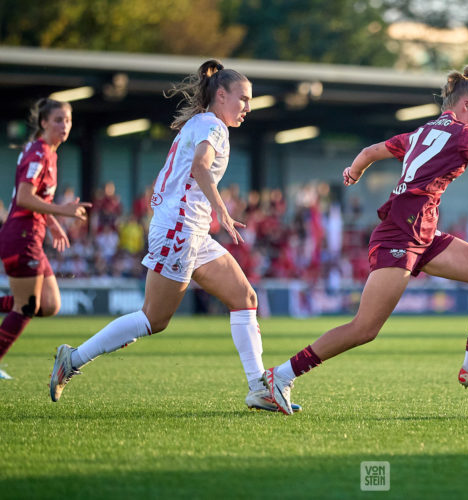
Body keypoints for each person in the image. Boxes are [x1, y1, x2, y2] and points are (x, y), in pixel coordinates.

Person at [262, 65, 468, 414]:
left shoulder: (421, 132)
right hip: (402, 233)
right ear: (466, 104)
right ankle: (280, 376)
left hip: (422, 232)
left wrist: (353, 172)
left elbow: (371, 151)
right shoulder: (463, 134)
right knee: (364, 328)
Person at [49, 59, 299, 412]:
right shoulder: (214, 127)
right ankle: (73, 359)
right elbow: (199, 167)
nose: (247, 107)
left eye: (250, 100)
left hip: (189, 228)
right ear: (222, 95)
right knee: (154, 318)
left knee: (245, 298)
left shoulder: (201, 122)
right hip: (181, 229)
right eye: (242, 98)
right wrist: (223, 211)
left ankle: (260, 387)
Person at [0, 98, 91, 380]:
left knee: (49, 305)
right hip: (21, 236)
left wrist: (52, 223)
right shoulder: (39, 152)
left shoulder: (48, 153)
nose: (64, 126)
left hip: (33, 235)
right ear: (43, 123)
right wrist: (61, 211)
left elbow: (35, 198)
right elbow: (25, 197)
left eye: (68, 120)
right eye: (58, 120)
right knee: (26, 306)